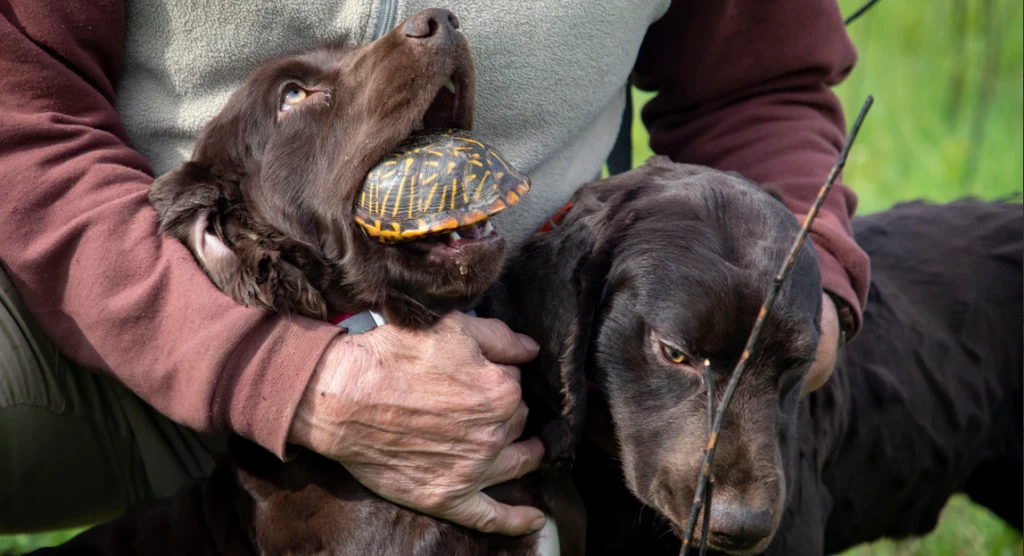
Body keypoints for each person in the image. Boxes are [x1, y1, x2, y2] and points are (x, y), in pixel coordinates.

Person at [0, 0, 867, 538]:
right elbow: (24, 114)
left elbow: (761, 88)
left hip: (512, 368)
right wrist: (278, 371)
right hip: (117, 314)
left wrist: (806, 281)